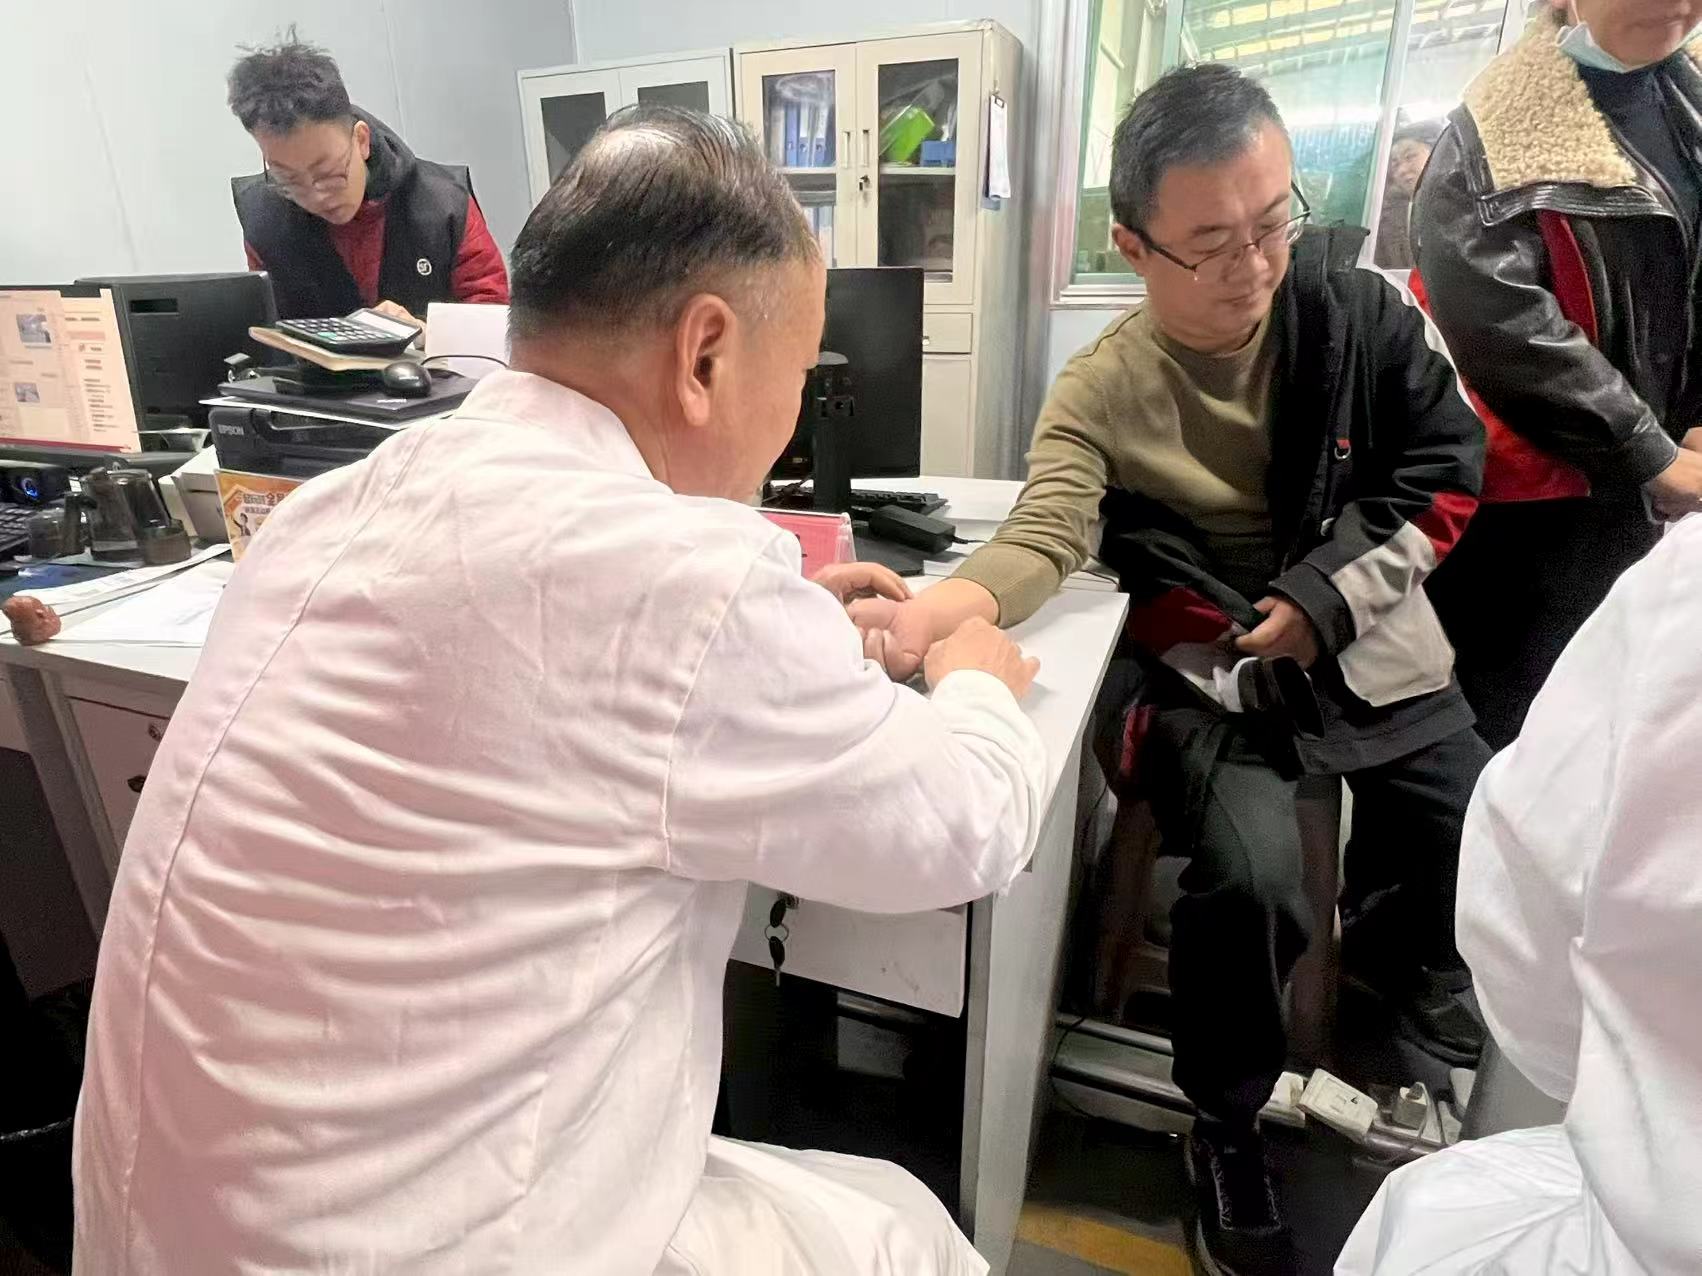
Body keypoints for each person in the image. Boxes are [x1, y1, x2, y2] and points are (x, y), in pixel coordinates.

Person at [72, 105, 1045, 1275]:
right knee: (907, 1230)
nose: (792, 417)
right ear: (704, 355)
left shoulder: (334, 506)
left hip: (172, 1230)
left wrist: (781, 638)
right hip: (416, 1247)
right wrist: (974, 677)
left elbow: (539, 685)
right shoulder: (683, 585)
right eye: (797, 374)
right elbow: (966, 828)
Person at [853, 64, 1490, 1276]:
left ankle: (1405, 1003)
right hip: (1217, 668)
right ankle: (1225, 1122)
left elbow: (1446, 474)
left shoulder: (1360, 316)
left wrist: (1322, 600)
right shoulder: (1102, 388)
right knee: (1253, 882)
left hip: (1363, 635)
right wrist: (935, 610)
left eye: (1272, 222)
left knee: (1487, 821)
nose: (1252, 264)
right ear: (1132, 246)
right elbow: (1046, 532)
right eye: (1209, 244)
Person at [1337, 512, 1702, 1276]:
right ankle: (1373, 948)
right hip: (1373, 607)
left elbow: (1528, 938)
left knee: (1475, 804)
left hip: (1407, 620)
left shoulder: (1687, 584)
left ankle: (1387, 950)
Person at [1411, 0, 1702, 749]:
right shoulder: (1493, 134)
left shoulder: (1687, 101)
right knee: (1513, 726)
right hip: (1544, 503)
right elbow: (1503, 326)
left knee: (1619, 722)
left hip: (1663, 489)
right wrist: (1648, 454)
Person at [227, 30, 509, 322]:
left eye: (328, 174)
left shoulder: (444, 204)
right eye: (289, 180)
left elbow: (493, 319)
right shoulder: (264, 218)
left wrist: (427, 332)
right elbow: (270, 324)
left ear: (361, 140)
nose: (315, 196)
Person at [1372, 124, 1437, 270]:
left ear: (1435, 154)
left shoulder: (1460, 204)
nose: (1402, 170)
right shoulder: (1383, 219)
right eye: (1395, 164)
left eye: (1410, 157)